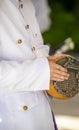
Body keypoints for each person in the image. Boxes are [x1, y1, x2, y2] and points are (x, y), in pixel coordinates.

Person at [0, 0, 69, 130]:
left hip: (43, 114)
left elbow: (36, 48)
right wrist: (43, 71)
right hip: (11, 118)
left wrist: (52, 67)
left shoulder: (27, 5)